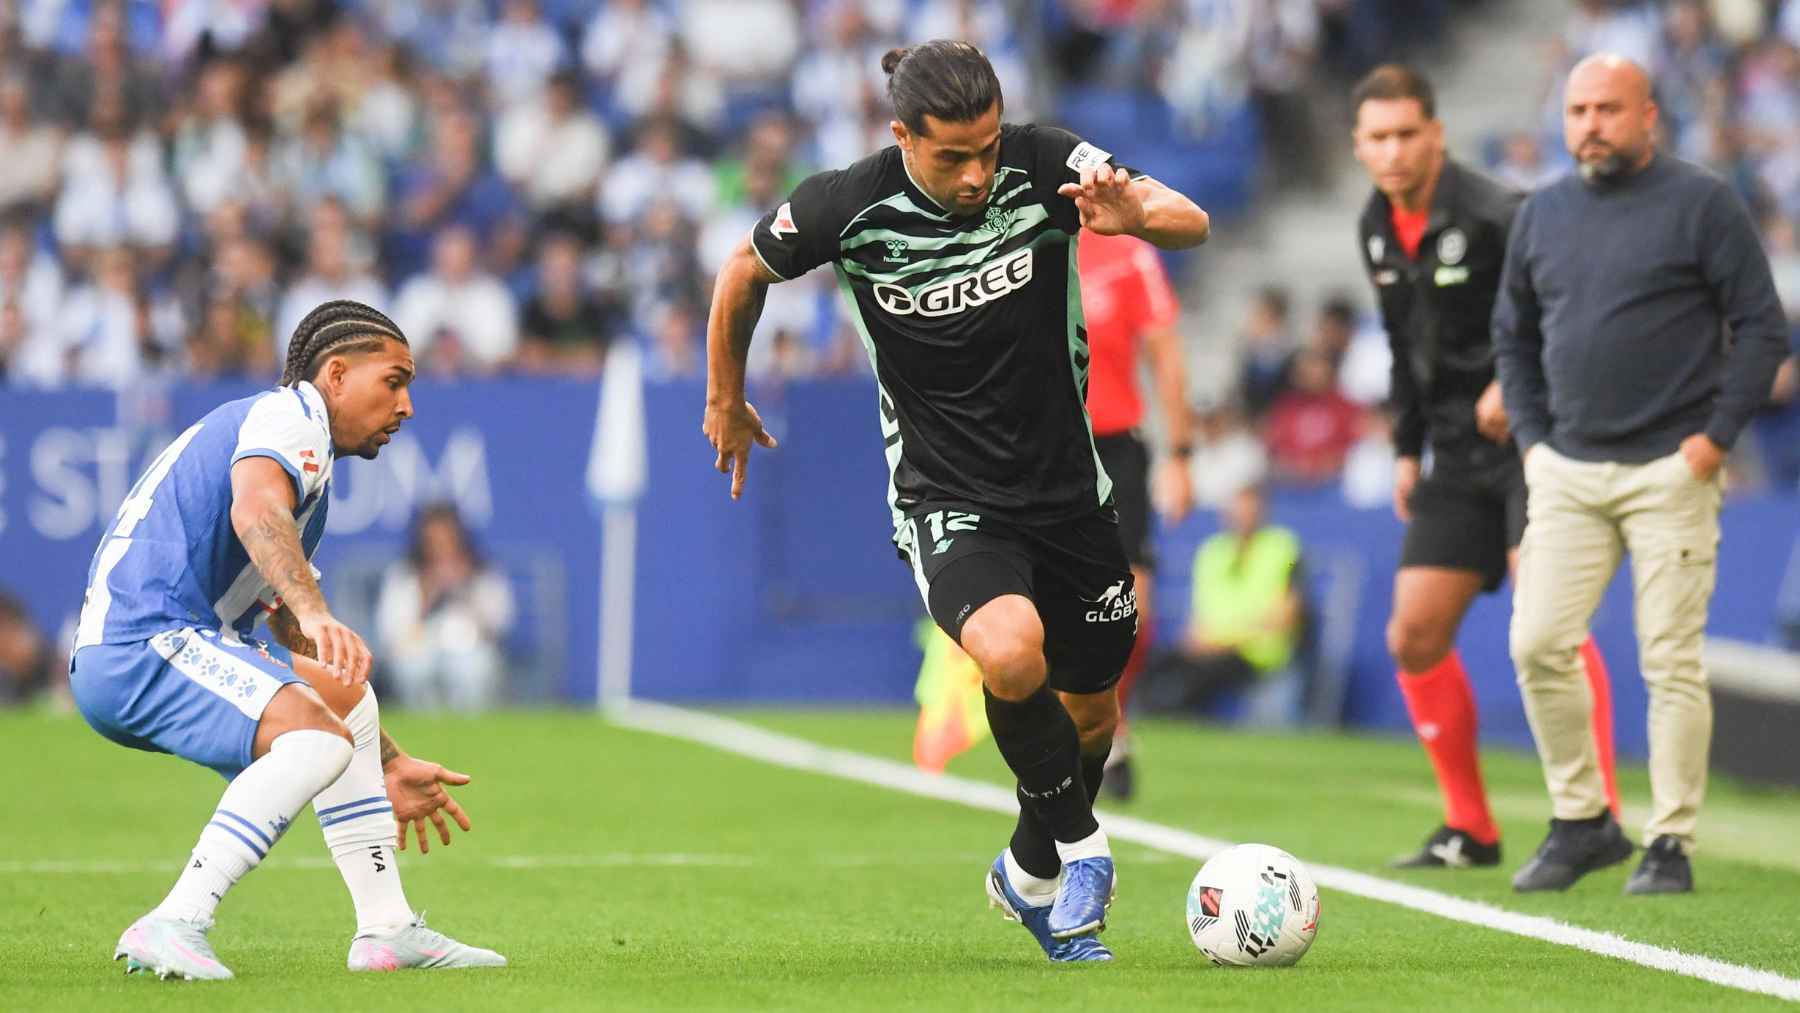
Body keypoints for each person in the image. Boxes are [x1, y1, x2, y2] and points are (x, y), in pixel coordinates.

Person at [701, 40, 1210, 963]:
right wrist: (724, 397)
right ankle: (1084, 852)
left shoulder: (1048, 161)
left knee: (1093, 715)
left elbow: (1190, 220)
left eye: (987, 148)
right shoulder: (845, 206)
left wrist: (1133, 213)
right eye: (952, 156)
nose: (978, 172)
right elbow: (741, 275)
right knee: (1011, 654)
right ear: (902, 136)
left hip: (1071, 492)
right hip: (947, 493)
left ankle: (1025, 870)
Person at [67, 300, 504, 979]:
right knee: (317, 738)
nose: (408, 405)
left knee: (345, 697)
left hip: (168, 639)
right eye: (393, 380)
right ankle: (176, 918)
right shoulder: (288, 416)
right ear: (335, 374)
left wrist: (385, 759)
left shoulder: (302, 454)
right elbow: (255, 511)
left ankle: (386, 929)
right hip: (145, 640)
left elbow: (279, 609)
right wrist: (318, 608)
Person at [1494, 55, 1790, 895]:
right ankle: (1583, 819)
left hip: (1673, 470)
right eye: (1578, 108)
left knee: (1670, 660)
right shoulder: (1542, 213)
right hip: (1567, 470)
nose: (1590, 123)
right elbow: (1511, 337)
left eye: (1608, 109)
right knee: (1538, 642)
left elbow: (1763, 330)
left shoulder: (1702, 203)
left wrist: (1714, 441)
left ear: (1648, 117)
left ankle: (1670, 840)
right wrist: (1533, 440)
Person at [1351, 63, 1622, 870]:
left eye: (1408, 133)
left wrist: (1517, 376)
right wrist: (1405, 448)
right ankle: (1472, 826)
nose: (1394, 151)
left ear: (1435, 133)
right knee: (1414, 633)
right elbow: (1403, 345)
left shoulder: (1500, 212)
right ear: (1358, 146)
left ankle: (1597, 814)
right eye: (1379, 137)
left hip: (1539, 440)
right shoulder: (1374, 221)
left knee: (1551, 625)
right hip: (1456, 451)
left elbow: (1573, 305)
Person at [1075, 228, 1195, 800]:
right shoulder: (1011, 247)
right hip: (1041, 449)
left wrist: (1180, 454)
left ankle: (1113, 725)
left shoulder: (1128, 256)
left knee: (1133, 609)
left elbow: (1166, 355)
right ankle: (1074, 731)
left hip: (1118, 447)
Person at [1134, 484, 1303, 718]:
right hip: (1209, 645)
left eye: (1249, 511)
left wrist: (1226, 639)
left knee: (1196, 679)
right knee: (1150, 662)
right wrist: (1195, 639)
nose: (1242, 518)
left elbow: (1287, 616)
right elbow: (1199, 611)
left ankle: (1171, 717)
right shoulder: (1212, 551)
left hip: (1254, 653)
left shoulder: (1283, 548)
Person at [375, 503, 516, 711]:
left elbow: (501, 623)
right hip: (419, 648)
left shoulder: (481, 573)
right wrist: (428, 595)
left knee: (473, 668)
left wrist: (466, 589)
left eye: (447, 540)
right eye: (433, 541)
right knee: (413, 670)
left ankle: (471, 730)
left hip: (471, 647)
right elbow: (390, 633)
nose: (441, 548)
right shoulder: (405, 575)